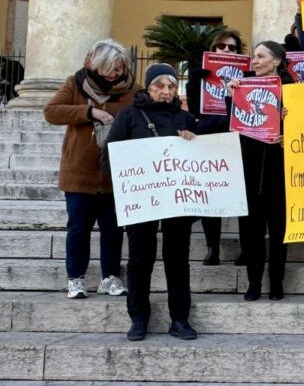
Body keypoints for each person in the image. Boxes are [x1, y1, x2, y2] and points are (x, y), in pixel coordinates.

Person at [105, 64, 199, 341]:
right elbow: (109, 157)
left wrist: (193, 142)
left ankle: (180, 319)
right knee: (139, 259)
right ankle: (138, 318)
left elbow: (201, 160)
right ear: (148, 88)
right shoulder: (129, 116)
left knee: (178, 260)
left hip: (178, 204)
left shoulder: (186, 118)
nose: (166, 91)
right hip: (141, 201)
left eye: (171, 86)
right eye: (160, 85)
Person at [44, 39, 140, 299]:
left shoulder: (133, 90)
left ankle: (110, 277)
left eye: (120, 68)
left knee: (113, 229)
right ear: (94, 65)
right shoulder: (74, 83)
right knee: (78, 228)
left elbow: (146, 114)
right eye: (110, 67)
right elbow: (52, 112)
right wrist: (90, 112)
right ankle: (76, 278)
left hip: (116, 175)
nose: (115, 73)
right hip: (79, 174)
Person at [226, 41, 295, 301]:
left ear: (276, 61)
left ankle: (276, 282)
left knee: (279, 232)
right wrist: (230, 99)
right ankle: (253, 282)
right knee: (250, 231)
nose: (254, 61)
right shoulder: (242, 86)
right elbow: (230, 128)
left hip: (280, 172)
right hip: (250, 170)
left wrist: (289, 127)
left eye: (260, 56)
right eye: (253, 57)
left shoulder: (292, 91)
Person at [185, 31, 243, 266]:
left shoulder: (246, 75)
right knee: (211, 193)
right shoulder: (201, 74)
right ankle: (212, 247)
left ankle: (246, 247)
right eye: (222, 46)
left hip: (234, 135)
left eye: (232, 47)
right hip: (208, 134)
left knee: (241, 194)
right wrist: (193, 81)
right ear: (214, 48)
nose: (227, 50)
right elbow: (193, 110)